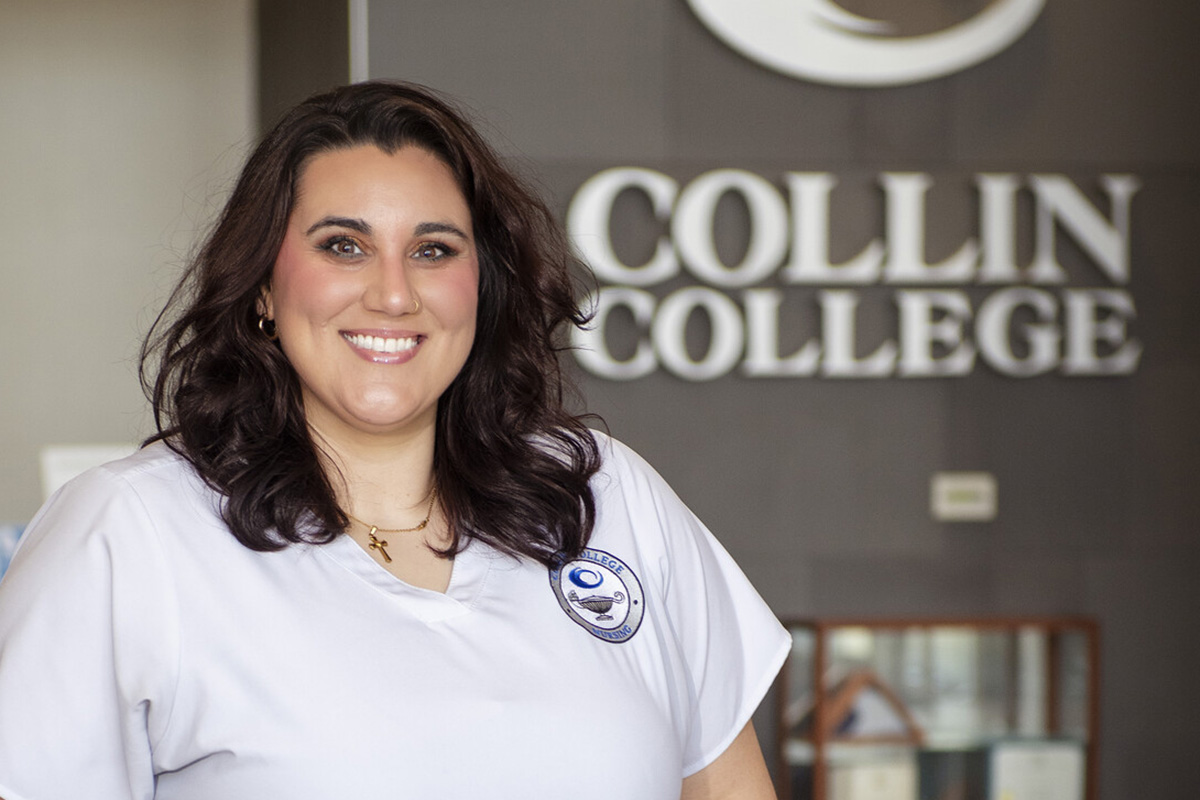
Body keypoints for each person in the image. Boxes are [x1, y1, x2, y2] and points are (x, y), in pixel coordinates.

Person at [0, 81, 788, 799]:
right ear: (265, 287)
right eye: (343, 245)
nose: (392, 292)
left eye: (433, 250)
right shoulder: (128, 533)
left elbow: (727, 788)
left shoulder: (603, 494)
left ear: (483, 284)